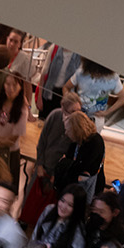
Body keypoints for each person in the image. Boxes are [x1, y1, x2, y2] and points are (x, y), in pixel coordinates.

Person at [26, 94, 82, 225]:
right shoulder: (54, 116)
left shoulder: (77, 125)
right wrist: (39, 164)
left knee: (51, 205)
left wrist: (57, 175)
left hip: (60, 173)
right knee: (32, 197)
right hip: (44, 165)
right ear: (63, 109)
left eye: (79, 111)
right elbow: (42, 142)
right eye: (73, 111)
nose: (77, 115)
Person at [0, 74, 28, 189]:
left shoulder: (22, 109)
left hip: (9, 155)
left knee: (5, 188)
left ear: (20, 87)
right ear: (3, 85)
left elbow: (12, 139)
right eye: (8, 84)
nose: (10, 88)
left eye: (14, 85)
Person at [53, 110, 105, 201]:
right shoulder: (77, 141)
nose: (66, 133)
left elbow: (79, 167)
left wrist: (65, 163)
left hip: (88, 189)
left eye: (68, 130)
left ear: (76, 130)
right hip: (75, 186)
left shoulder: (95, 142)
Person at [63, 59, 124, 124]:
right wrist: (70, 102)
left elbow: (123, 98)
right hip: (79, 114)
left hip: (97, 118)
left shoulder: (113, 78)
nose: (96, 75)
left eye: (99, 73)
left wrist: (107, 112)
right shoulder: (81, 72)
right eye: (93, 73)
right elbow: (66, 87)